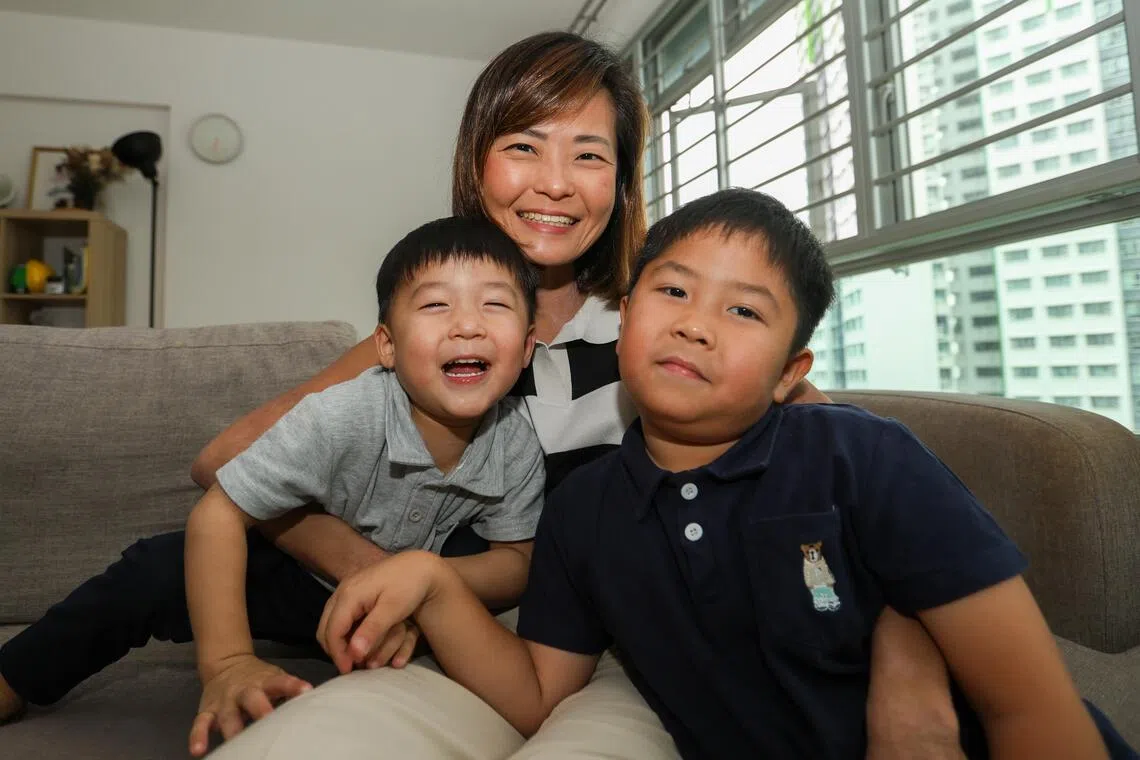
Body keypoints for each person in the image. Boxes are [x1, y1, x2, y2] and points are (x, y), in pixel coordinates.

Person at [190, 32, 964, 760]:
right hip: (457, 649)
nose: (554, 183)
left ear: (622, 183)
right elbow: (227, 460)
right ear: (476, 164)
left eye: (588, 155)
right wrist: (391, 577)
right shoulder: (429, 340)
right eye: (522, 146)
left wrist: (911, 677)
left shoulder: (671, 326)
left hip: (631, 663)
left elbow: (862, 505)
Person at [318, 188, 1137, 759]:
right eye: (671, 290)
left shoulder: (862, 457)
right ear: (626, 314)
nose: (696, 327)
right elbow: (536, 694)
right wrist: (430, 580)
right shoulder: (584, 511)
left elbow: (1030, 706)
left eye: (744, 311)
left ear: (792, 369)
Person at [0, 217, 547, 759]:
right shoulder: (342, 413)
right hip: (302, 584)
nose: (467, 326)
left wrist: (421, 588)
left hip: (413, 600)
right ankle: (13, 676)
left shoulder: (516, 439)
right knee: (153, 568)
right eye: (436, 305)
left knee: (479, 557)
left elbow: (516, 562)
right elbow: (218, 511)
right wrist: (228, 662)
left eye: (494, 304)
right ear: (386, 345)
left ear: (525, 350)